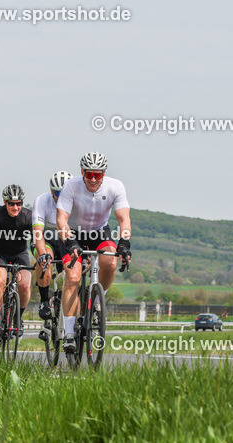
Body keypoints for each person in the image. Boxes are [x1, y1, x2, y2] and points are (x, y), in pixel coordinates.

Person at [56, 152, 132, 354]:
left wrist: (124, 243)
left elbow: (124, 219)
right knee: (73, 278)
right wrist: (70, 241)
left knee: (111, 262)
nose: (93, 179)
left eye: (97, 175)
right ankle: (69, 333)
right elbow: (61, 220)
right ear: (82, 172)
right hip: (73, 233)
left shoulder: (115, 186)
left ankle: (97, 301)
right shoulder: (71, 186)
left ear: (103, 174)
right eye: (89, 174)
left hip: (100, 232)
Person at [0, 184, 39, 341]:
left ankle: (17, 318)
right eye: (11, 204)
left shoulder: (27, 216)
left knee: (25, 285)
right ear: (5, 202)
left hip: (19, 254)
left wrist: (39, 255)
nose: (15, 207)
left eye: (19, 203)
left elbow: (36, 239)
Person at [32, 171, 71, 321]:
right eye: (57, 193)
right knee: (45, 260)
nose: (60, 197)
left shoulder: (76, 202)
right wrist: (42, 254)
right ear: (51, 191)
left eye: (64, 193)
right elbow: (37, 232)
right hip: (45, 240)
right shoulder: (42, 200)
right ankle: (44, 301)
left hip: (65, 240)